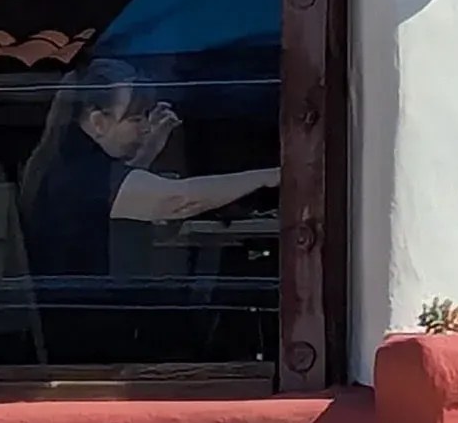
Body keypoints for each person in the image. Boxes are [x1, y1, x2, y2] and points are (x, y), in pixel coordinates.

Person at [21, 58, 278, 287]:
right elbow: (177, 200)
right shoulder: (80, 170)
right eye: (136, 118)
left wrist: (150, 148)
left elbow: (119, 191)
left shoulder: (64, 159)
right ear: (98, 121)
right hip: (83, 318)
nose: (145, 127)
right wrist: (269, 177)